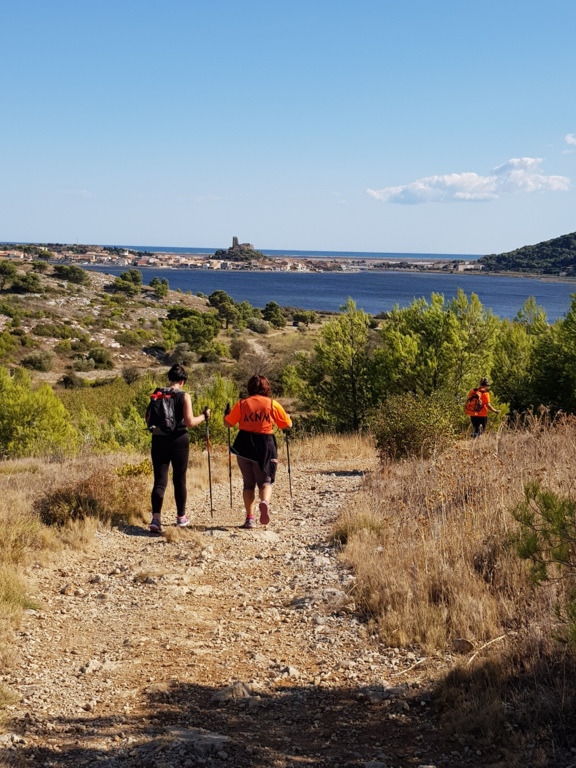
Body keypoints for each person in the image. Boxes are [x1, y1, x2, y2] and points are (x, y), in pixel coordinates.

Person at [224, 374, 292, 529]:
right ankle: (264, 502)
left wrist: (226, 415)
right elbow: (286, 425)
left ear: (249, 387)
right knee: (265, 481)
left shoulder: (242, 404)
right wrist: (288, 417)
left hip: (244, 446)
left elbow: (228, 423)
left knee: (248, 484)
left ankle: (250, 519)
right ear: (266, 388)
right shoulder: (272, 404)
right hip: (265, 445)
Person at [149, 364, 210, 534]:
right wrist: (204, 416)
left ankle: (156, 518)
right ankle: (181, 517)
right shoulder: (184, 396)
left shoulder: (157, 394)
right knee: (179, 478)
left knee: (159, 480)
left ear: (170, 379)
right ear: (183, 381)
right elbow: (189, 422)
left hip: (159, 440)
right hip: (179, 440)